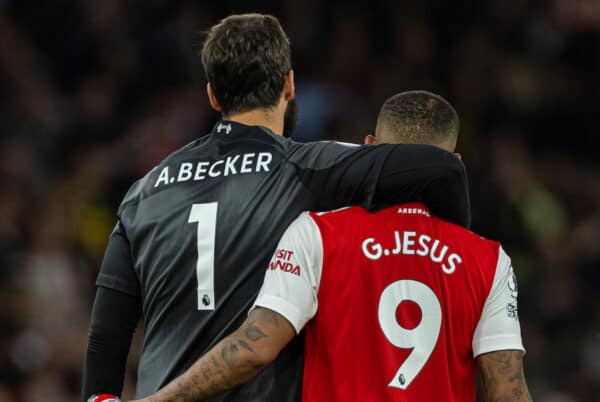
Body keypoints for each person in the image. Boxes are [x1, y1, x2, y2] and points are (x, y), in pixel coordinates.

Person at [82, 14, 472, 402]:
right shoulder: (311, 167)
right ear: (289, 84)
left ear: (213, 96)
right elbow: (443, 170)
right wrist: (452, 265)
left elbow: (106, 336)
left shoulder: (144, 193)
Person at [135, 91, 532, 402]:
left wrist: (157, 400)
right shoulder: (488, 259)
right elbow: (507, 392)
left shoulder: (317, 234)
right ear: (454, 161)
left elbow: (253, 348)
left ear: (369, 147)